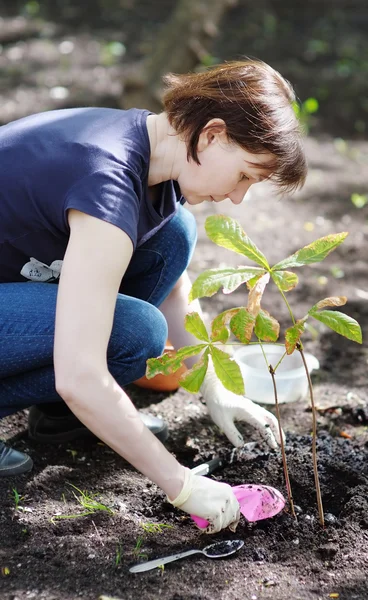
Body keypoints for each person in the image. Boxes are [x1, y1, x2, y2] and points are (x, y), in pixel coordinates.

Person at [0, 59, 307, 533]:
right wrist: (180, 484)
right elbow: (80, 375)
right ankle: (83, 410)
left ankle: (65, 421)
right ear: (212, 135)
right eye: (245, 176)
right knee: (134, 335)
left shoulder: (153, 156)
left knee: (174, 237)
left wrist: (212, 384)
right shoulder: (106, 180)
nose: (238, 198)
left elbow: (173, 286)